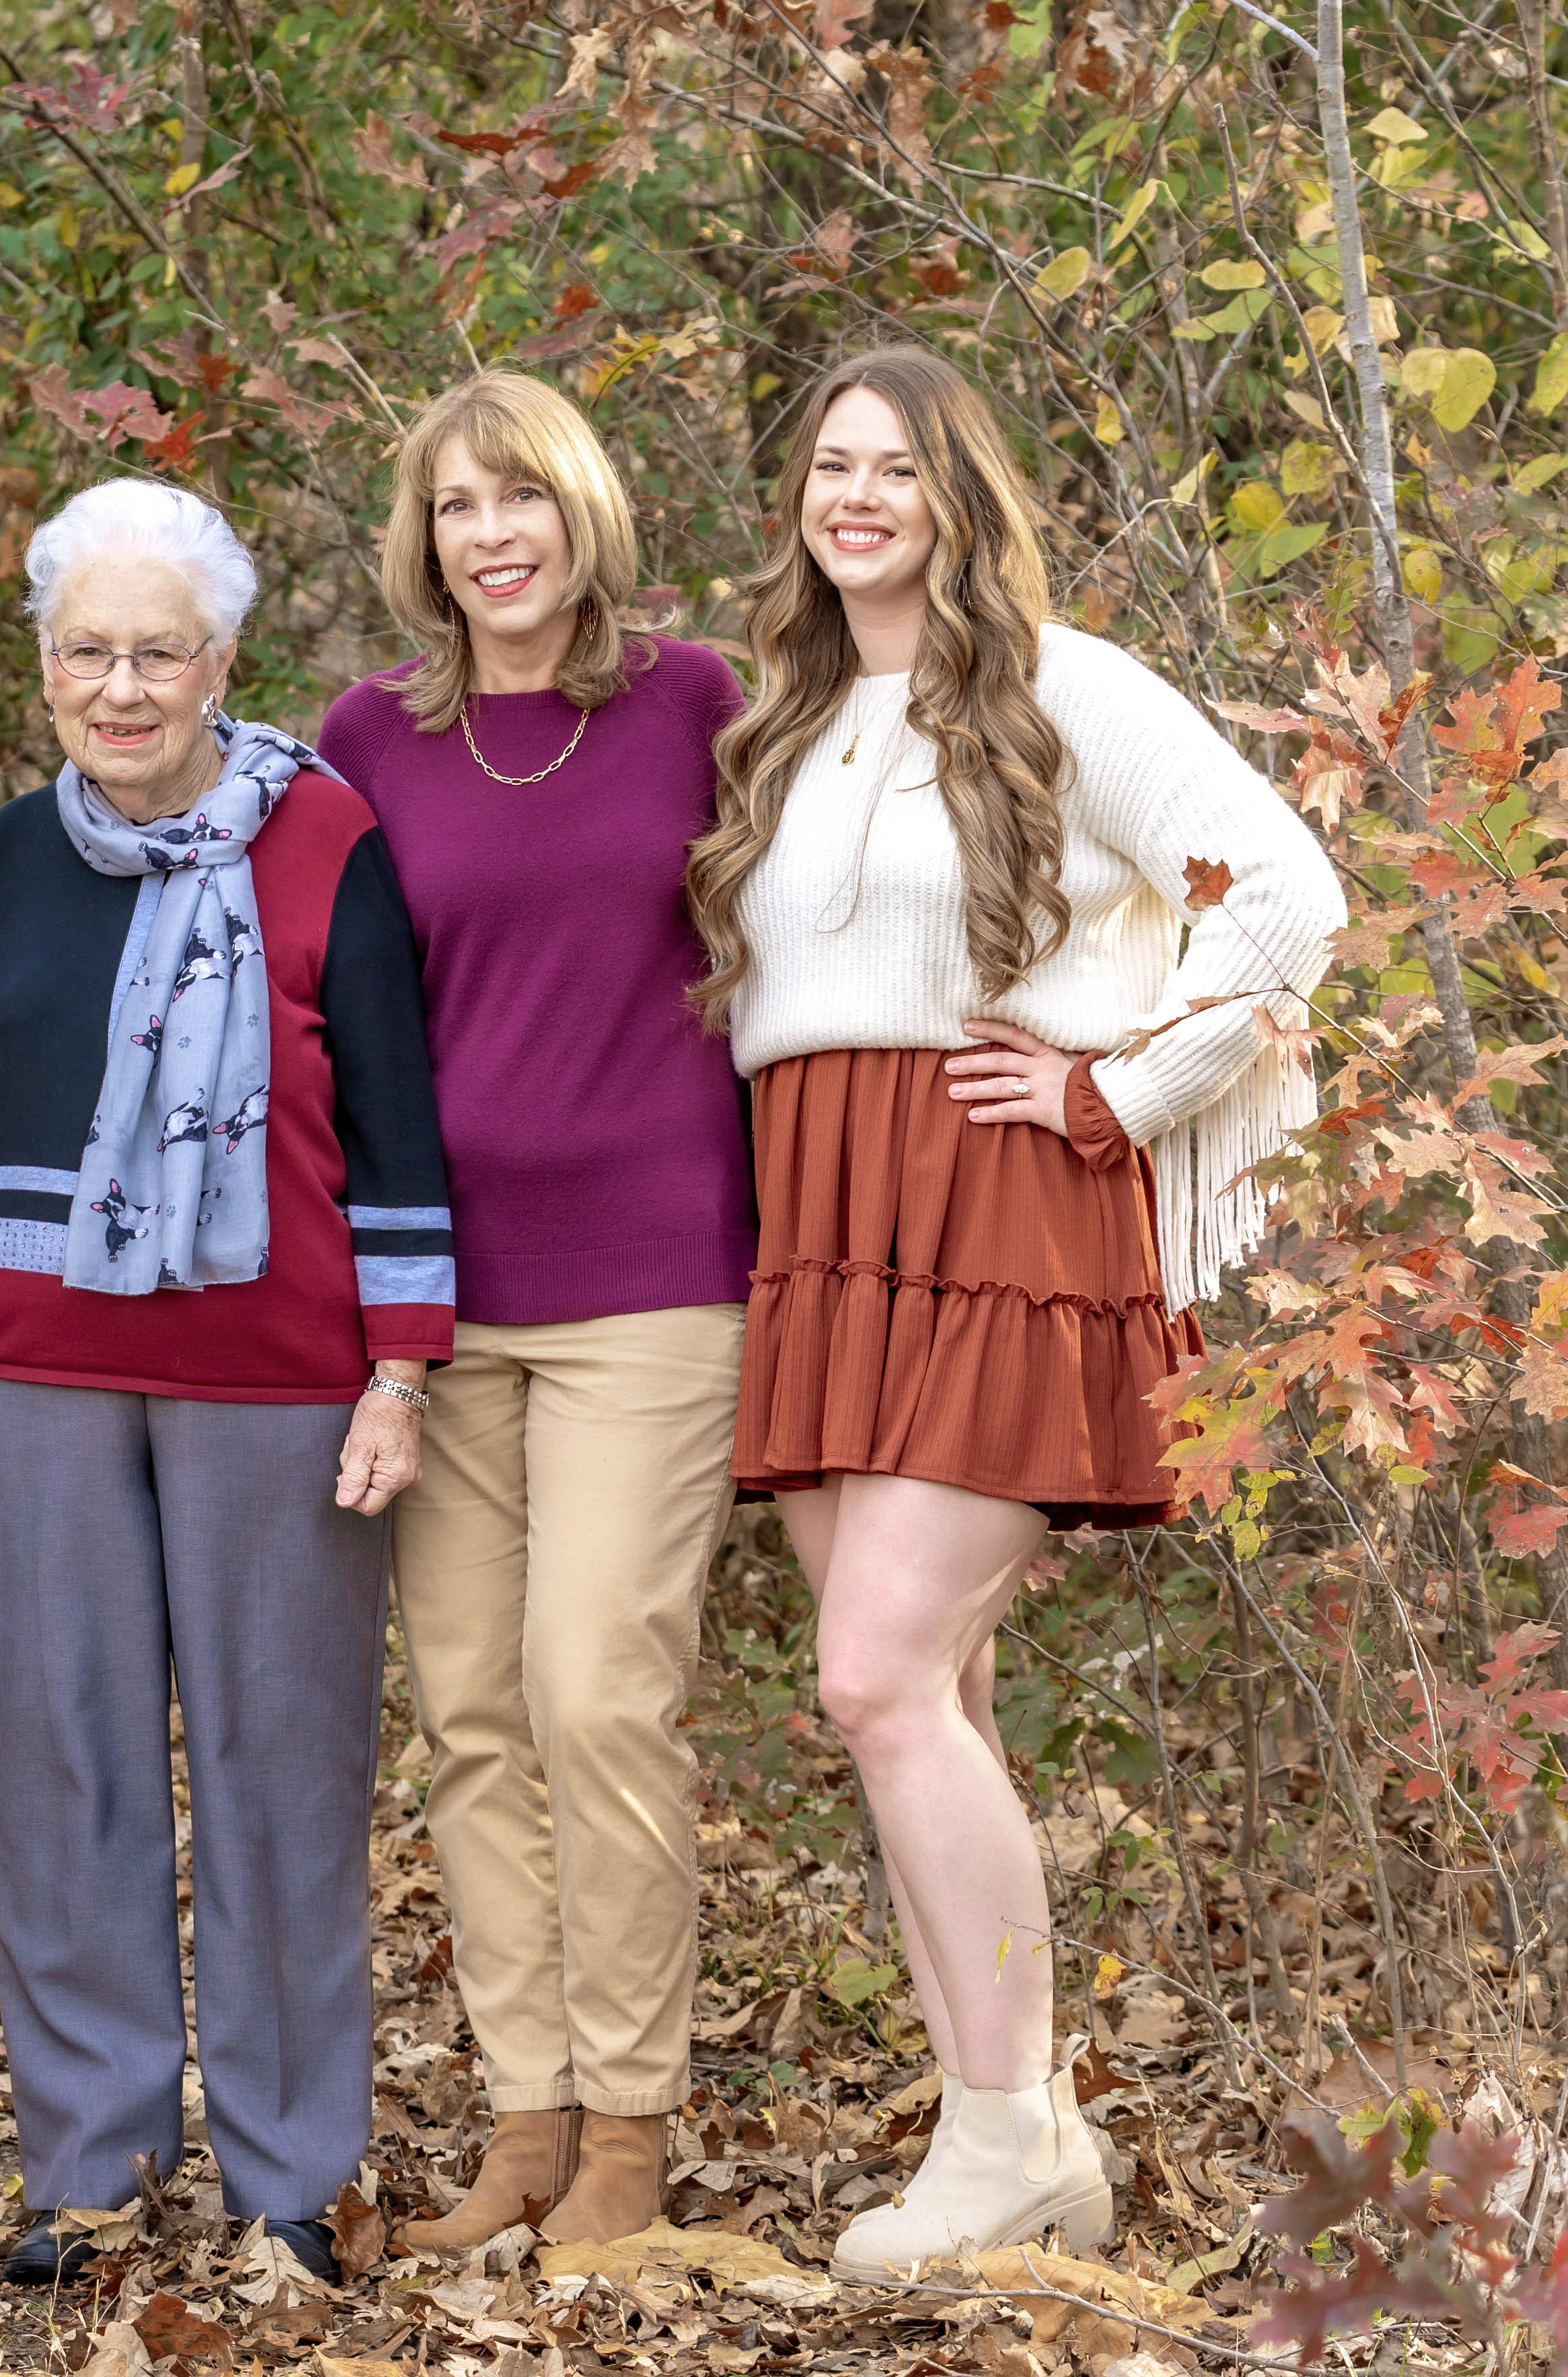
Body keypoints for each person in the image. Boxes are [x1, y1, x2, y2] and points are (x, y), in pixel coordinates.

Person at [688, 346, 1346, 2275]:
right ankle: (1029, 2134)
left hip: (1003, 1208)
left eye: (897, 466)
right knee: (925, 1703)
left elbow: (1286, 894)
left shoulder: (1065, 685)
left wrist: (1119, 1087)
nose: (858, 495)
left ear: (961, 494)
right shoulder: (787, 719)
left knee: (876, 1676)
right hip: (824, 1226)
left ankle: (997, 2138)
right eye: (832, 465)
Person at [0, 478, 455, 2289]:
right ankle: (86, 2166)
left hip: (274, 1368)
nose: (125, 686)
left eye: (162, 652)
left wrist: (403, 1364)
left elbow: (394, 1119)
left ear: (226, 661)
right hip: (28, 1368)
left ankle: (289, 2174)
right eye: (90, 651)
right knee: (59, 1765)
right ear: (47, 669)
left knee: (281, 1768)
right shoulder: (2, 859)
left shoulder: (325, 841)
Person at [315, 369, 753, 2249]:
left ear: (585, 512)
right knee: (476, 1717)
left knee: (599, 1689)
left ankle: (637, 2138)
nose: (494, 536)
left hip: (657, 1281)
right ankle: (528, 2125)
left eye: (524, 498)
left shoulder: (702, 704)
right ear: (421, 543)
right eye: (457, 508)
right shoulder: (366, 739)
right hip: (435, 1296)